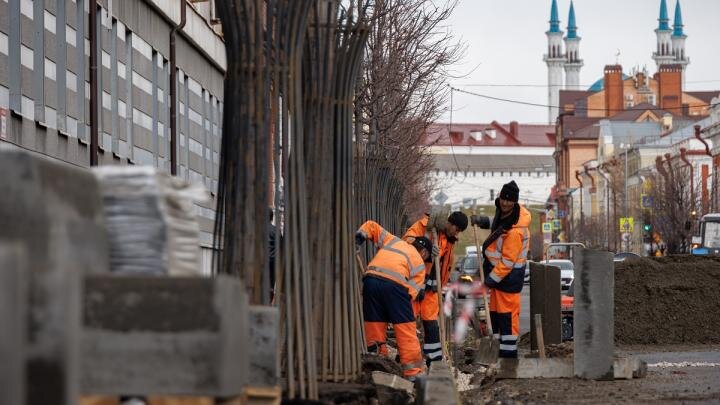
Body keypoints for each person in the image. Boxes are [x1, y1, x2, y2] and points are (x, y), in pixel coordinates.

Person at [356, 220, 432, 380]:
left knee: (374, 325)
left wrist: (359, 238)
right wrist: (398, 315)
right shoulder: (419, 264)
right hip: (395, 286)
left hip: (370, 280)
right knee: (406, 329)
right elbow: (409, 296)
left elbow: (371, 226)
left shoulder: (394, 240)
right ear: (424, 253)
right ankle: (413, 373)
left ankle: (377, 364)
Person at [472, 180, 530, 358]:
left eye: (509, 200)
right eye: (503, 199)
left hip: (508, 279)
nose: (505, 203)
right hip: (499, 279)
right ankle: (495, 354)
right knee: (496, 316)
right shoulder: (506, 213)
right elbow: (498, 222)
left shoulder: (515, 232)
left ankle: (508, 358)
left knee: (507, 319)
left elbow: (507, 262)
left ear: (515, 202)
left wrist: (489, 282)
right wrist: (483, 221)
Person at [403, 209, 468, 364]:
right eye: (456, 229)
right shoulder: (425, 226)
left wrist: (442, 288)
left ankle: (434, 359)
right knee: (408, 322)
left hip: (432, 289)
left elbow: (445, 266)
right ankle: (406, 356)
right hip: (416, 284)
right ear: (449, 223)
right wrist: (423, 245)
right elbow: (406, 240)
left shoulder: (450, 241)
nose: (456, 233)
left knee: (431, 324)